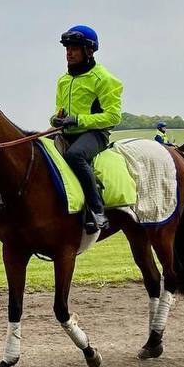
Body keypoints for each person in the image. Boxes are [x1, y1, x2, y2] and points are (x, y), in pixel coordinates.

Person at [49, 25, 123, 233]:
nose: (69, 53)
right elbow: (59, 111)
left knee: (75, 155)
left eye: (74, 48)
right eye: (67, 48)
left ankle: (97, 211)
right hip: (66, 133)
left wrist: (78, 120)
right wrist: (56, 119)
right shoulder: (63, 80)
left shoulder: (105, 79)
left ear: (89, 51)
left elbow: (113, 116)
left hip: (95, 134)